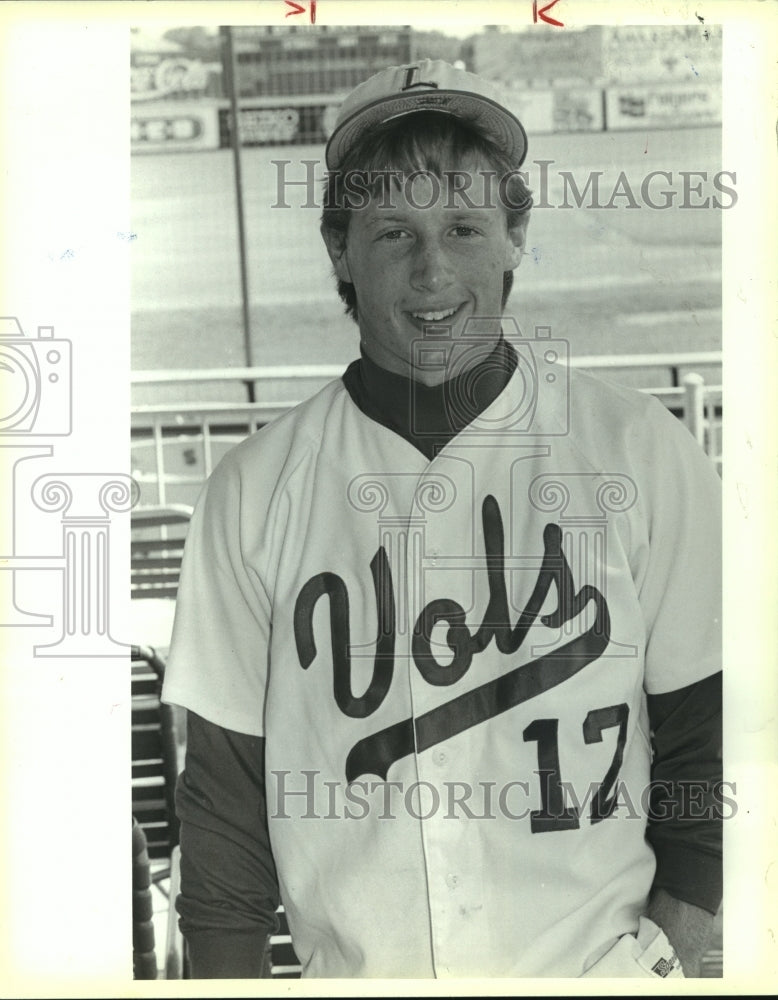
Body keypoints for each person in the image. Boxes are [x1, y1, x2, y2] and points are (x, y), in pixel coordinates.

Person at [162, 59, 722, 979]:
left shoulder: (640, 451)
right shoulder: (253, 492)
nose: (432, 271)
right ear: (339, 250)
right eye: (393, 232)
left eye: (463, 227)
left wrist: (663, 959)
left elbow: (715, 737)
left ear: (515, 237)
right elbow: (224, 813)